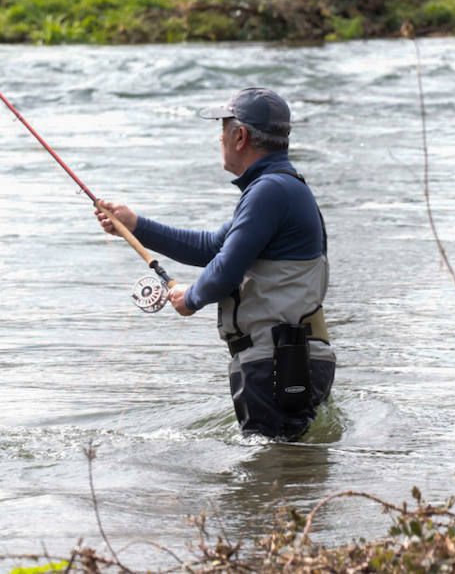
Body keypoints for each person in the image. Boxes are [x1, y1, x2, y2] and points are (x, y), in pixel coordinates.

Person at [95, 87, 335, 440]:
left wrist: (190, 298)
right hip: (286, 359)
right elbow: (213, 247)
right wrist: (136, 226)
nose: (217, 138)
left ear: (239, 137)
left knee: (267, 477)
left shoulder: (270, 192)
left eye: (221, 128)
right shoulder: (277, 189)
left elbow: (226, 269)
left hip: (276, 362)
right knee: (285, 470)